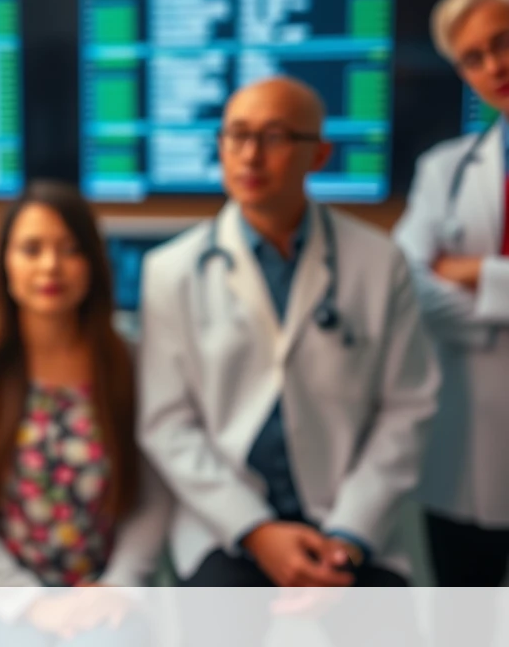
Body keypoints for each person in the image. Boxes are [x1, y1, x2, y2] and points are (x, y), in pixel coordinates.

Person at [138, 78, 438, 641]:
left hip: (348, 523)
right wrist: (257, 531)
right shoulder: (171, 272)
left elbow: (407, 411)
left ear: (318, 154)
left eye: (274, 136)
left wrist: (348, 534)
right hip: (227, 525)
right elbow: (167, 424)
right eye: (237, 135)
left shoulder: (380, 263)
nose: (250, 154)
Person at [0, 180, 170, 645]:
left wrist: (118, 585)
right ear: (6, 266)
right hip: (0, 596)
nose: (50, 266)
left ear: (93, 264)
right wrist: (28, 601)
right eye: (31, 249)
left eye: (70, 249)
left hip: (105, 594)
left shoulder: (133, 365)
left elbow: (153, 499)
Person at [392, 0, 509, 642]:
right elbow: (410, 285)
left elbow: (440, 284)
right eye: (474, 57)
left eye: (503, 43)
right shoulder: (446, 168)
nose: (494, 66)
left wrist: (475, 275)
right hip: (466, 449)